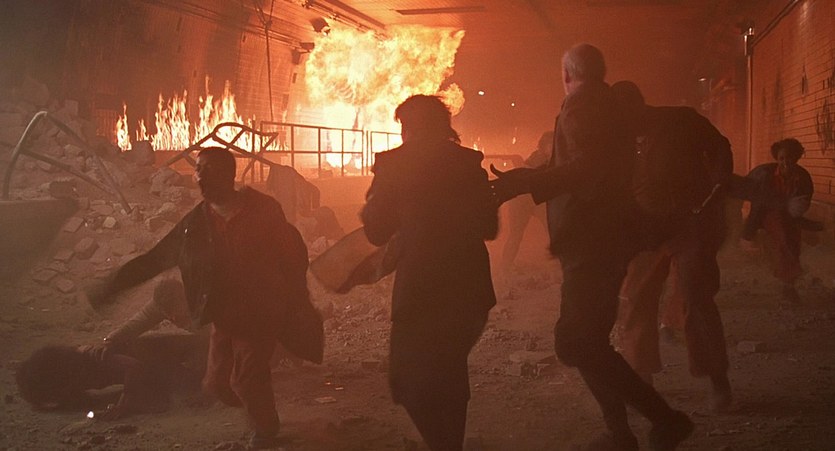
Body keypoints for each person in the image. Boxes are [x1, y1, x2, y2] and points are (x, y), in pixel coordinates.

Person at [491, 44, 693, 450]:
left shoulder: (583, 105)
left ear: (568, 73)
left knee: (577, 342)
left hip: (592, 241)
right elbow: (580, 163)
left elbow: (587, 168)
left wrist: (525, 182)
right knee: (586, 342)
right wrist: (526, 177)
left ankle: (663, 421)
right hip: (601, 239)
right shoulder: (606, 105)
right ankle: (624, 433)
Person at [85, 147, 312, 449]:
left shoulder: (264, 210)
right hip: (226, 316)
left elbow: (293, 253)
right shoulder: (196, 224)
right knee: (216, 383)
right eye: (198, 170)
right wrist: (113, 286)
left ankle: (265, 433)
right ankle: (256, 404)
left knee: (246, 377)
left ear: (229, 175)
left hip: (261, 311)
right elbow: (155, 259)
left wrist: (292, 299)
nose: (200, 177)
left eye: (209, 170)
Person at [361, 94, 498, 451]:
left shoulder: (394, 164)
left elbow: (376, 230)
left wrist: (375, 204)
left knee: (404, 379)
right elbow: (489, 226)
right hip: (470, 288)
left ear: (407, 128)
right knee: (450, 372)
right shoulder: (468, 162)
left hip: (421, 291)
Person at [610, 80, 733, 412]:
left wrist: (720, 180)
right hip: (645, 230)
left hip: (688, 223)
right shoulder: (617, 136)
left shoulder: (681, 120)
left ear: (637, 106)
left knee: (696, 295)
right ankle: (641, 378)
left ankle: (717, 379)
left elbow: (719, 146)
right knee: (636, 298)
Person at [16, 332, 205, 421]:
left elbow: (135, 367)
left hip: (178, 357)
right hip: (162, 365)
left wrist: (125, 402)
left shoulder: (93, 360)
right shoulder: (76, 370)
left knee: (195, 382)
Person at [741, 138, 817, 303]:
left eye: (789, 158)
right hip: (768, 213)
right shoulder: (765, 176)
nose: (785, 162)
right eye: (782, 158)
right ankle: (787, 282)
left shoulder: (803, 177)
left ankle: (788, 283)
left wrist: (805, 219)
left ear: (796, 158)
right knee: (783, 235)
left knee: (793, 241)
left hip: (790, 215)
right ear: (777, 158)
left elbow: (804, 202)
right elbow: (758, 206)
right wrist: (748, 233)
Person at [498, 131, 552, 278]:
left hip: (537, 200)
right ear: (542, 146)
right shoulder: (536, 159)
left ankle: (556, 266)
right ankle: (505, 268)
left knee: (551, 231)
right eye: (549, 144)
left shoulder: (552, 160)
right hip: (521, 201)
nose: (551, 147)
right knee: (515, 236)